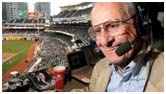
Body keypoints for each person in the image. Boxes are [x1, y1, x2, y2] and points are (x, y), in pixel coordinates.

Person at [73, 2, 163, 92]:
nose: (104, 41)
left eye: (113, 25)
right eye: (97, 30)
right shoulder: (100, 67)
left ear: (138, 24)